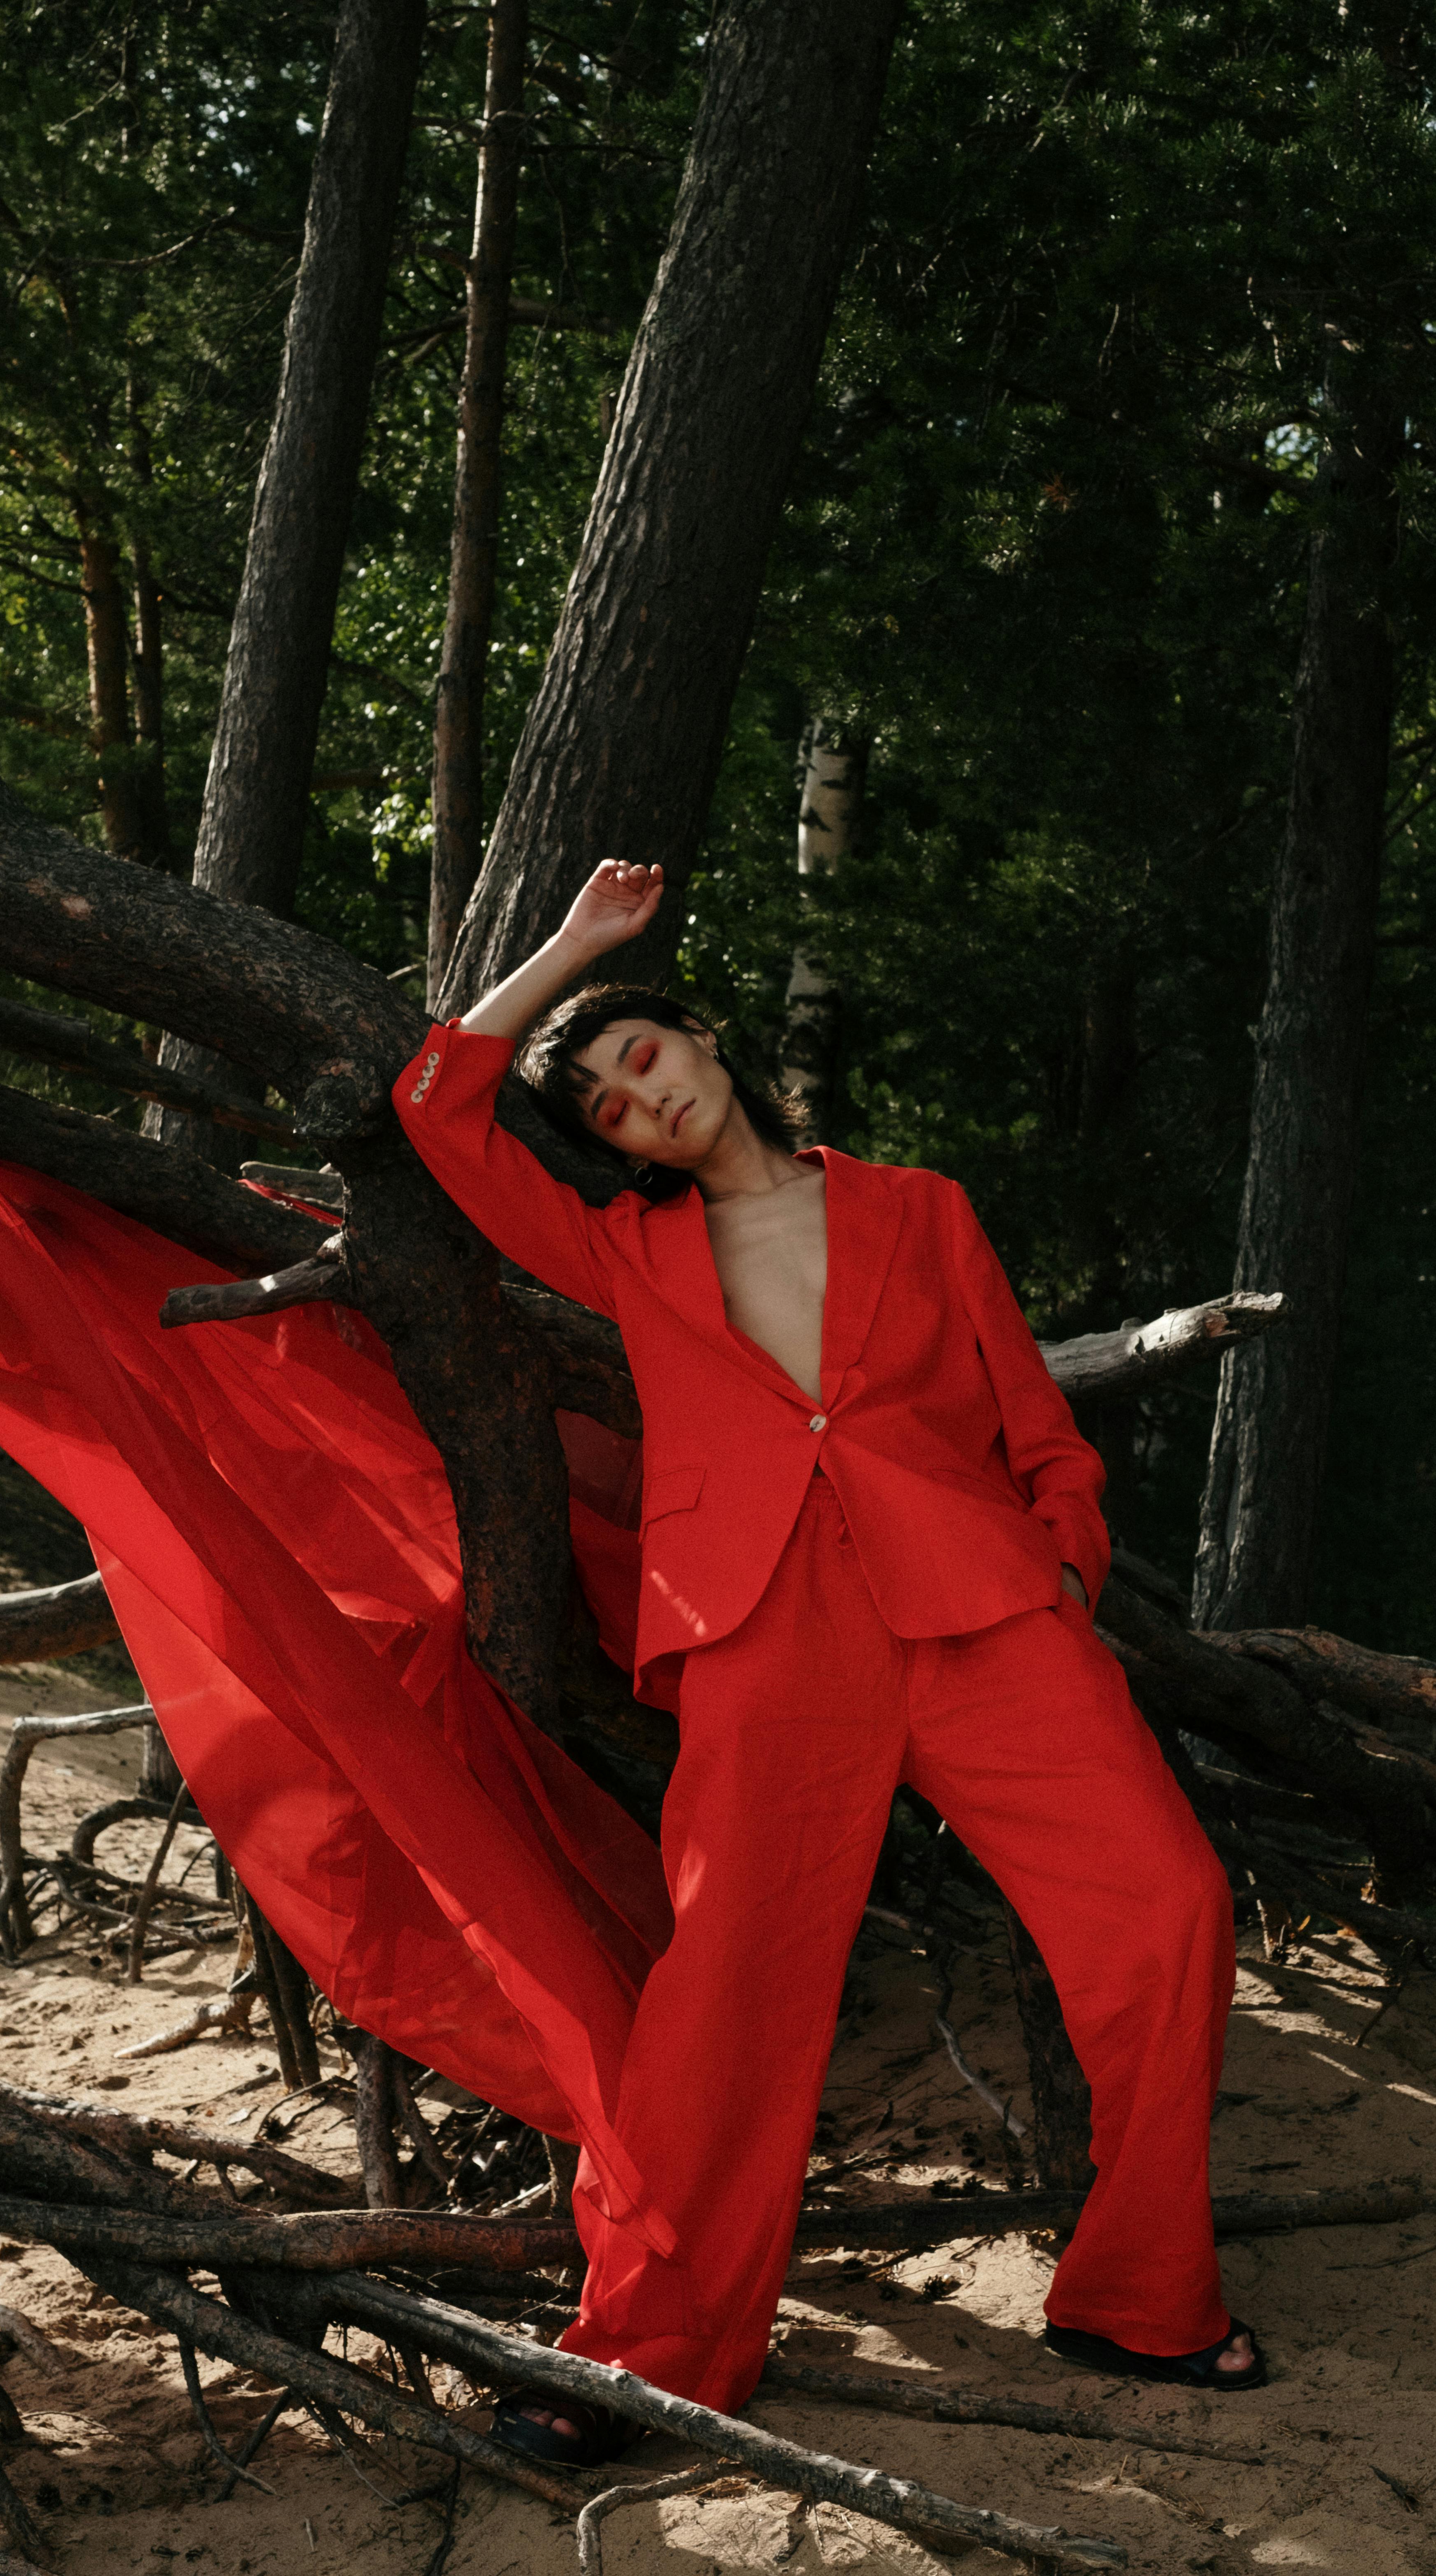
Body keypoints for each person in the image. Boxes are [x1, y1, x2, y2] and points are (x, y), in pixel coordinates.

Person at [397, 861, 1263, 2460]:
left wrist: (1060, 1564)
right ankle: (650, 2354)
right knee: (728, 1993)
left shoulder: (917, 1207)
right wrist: (573, 951)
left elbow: (1025, 1411)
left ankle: (1137, 2295)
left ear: (701, 1041)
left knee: (1165, 1908)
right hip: (760, 1632)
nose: (629, 1103)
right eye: (595, 1105)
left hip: (981, 1614)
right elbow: (437, 1102)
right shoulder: (625, 1251)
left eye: (638, 1055)